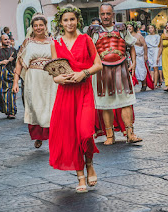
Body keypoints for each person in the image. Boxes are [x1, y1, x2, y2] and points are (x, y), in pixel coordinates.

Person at [49, 5, 102, 193]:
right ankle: (80, 177)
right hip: (65, 94)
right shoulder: (56, 44)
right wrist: (58, 79)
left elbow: (98, 64)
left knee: (85, 132)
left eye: (72, 19)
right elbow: (54, 73)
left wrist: (84, 73)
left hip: (84, 90)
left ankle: (89, 164)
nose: (69, 23)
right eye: (66, 20)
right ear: (60, 23)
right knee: (71, 135)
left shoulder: (86, 39)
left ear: (77, 20)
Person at [87, 3, 142, 144]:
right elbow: (90, 51)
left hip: (122, 68)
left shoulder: (122, 29)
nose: (105, 17)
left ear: (113, 14)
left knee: (126, 102)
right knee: (106, 104)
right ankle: (110, 135)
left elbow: (131, 45)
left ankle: (130, 134)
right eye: (103, 14)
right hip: (102, 71)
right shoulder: (93, 31)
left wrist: (134, 62)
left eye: (108, 13)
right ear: (100, 15)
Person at [12, 13, 58, 148]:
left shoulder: (52, 41)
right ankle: (39, 136)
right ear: (32, 27)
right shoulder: (28, 42)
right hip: (33, 78)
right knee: (35, 107)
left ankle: (52, 135)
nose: (38, 28)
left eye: (41, 25)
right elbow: (19, 62)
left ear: (45, 26)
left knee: (50, 106)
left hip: (49, 78)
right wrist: (15, 82)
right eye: (35, 26)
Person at [0, 34, 17, 118]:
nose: (7, 41)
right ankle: (7, 110)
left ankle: (12, 112)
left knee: (11, 93)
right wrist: (1, 62)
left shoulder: (13, 50)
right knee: (3, 94)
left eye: (8, 39)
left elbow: (17, 62)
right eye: (5, 39)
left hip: (12, 75)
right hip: (1, 77)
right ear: (1, 41)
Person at [127, 21, 148, 91]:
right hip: (130, 57)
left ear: (134, 27)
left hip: (139, 56)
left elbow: (144, 45)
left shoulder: (139, 36)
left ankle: (144, 84)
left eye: (130, 26)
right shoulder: (126, 36)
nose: (129, 28)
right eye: (128, 26)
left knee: (141, 70)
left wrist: (145, 55)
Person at [145, 24, 162, 88]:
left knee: (155, 67)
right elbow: (145, 46)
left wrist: (158, 56)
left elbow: (160, 46)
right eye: (149, 28)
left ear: (154, 29)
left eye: (151, 28)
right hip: (150, 51)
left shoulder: (158, 36)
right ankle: (152, 81)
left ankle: (155, 83)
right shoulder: (147, 37)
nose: (150, 29)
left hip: (155, 50)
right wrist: (146, 54)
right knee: (151, 67)